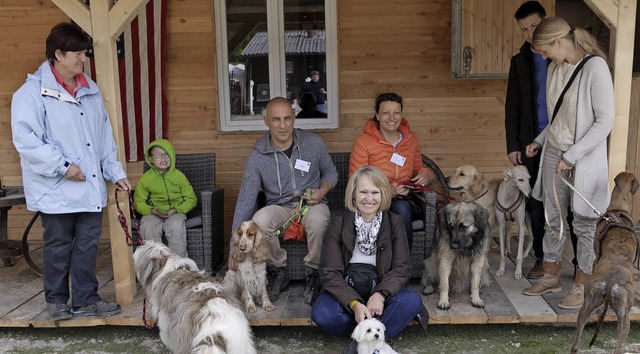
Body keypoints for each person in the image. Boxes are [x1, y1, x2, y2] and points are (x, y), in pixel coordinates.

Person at [11, 22, 131, 321]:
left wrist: (115, 172)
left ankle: (86, 299)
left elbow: (104, 137)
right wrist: (63, 167)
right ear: (59, 54)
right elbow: (26, 141)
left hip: (88, 186)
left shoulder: (89, 90)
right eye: (77, 53)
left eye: (85, 53)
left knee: (88, 246)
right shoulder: (31, 93)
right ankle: (56, 301)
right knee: (58, 247)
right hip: (56, 188)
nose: (83, 59)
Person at [522, 17, 614, 310]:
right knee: (553, 217)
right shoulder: (554, 69)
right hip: (554, 152)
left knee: (584, 223)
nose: (544, 56)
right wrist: (540, 139)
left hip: (582, 158)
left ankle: (582, 286)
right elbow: (558, 118)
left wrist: (571, 156)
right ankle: (551, 275)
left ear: (559, 42)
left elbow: (604, 122)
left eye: (545, 50)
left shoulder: (595, 68)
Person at [230, 97, 338, 305]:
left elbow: (331, 172)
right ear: (266, 121)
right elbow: (245, 201)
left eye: (287, 118)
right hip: (279, 207)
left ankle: (314, 273)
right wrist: (233, 249)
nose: (282, 125)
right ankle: (278, 269)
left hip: (311, 205)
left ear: (294, 118)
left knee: (318, 221)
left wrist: (322, 190)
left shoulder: (313, 143)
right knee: (259, 220)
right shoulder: (257, 157)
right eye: (276, 119)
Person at [311, 166, 422, 352]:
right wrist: (354, 304)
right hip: (346, 293)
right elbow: (329, 273)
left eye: (374, 192)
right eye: (363, 192)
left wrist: (381, 294)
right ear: (353, 194)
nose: (369, 198)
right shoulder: (338, 222)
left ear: (383, 194)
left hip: (380, 291)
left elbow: (402, 268)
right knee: (322, 313)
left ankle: (359, 344)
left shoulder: (395, 222)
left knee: (411, 301)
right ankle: (370, 334)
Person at [349, 92, 431, 250]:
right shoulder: (364, 142)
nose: (391, 118)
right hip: (372, 200)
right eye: (386, 113)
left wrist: (423, 174)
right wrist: (387, 192)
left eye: (396, 113)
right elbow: (355, 180)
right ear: (377, 116)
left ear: (401, 115)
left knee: (402, 209)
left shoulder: (411, 139)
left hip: (404, 199)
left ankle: (401, 265)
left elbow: (419, 168)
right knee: (398, 211)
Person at [133, 139, 197, 258]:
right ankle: (155, 263)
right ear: (151, 159)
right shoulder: (146, 179)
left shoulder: (179, 176)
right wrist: (151, 210)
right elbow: (138, 202)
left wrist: (176, 209)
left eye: (167, 153)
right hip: (153, 213)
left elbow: (191, 199)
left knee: (176, 227)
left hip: (175, 212)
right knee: (147, 225)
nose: (163, 157)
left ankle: (178, 265)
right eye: (158, 154)